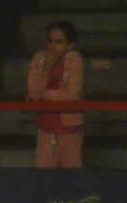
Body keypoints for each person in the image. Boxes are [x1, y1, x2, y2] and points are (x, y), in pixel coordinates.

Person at [27, 20, 84, 169]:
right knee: (44, 177)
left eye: (59, 42)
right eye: (50, 41)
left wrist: (43, 94)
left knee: (70, 178)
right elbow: (33, 93)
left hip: (69, 129)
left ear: (70, 45)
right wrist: (46, 68)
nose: (52, 46)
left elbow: (72, 95)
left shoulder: (75, 60)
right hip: (45, 128)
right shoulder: (38, 59)